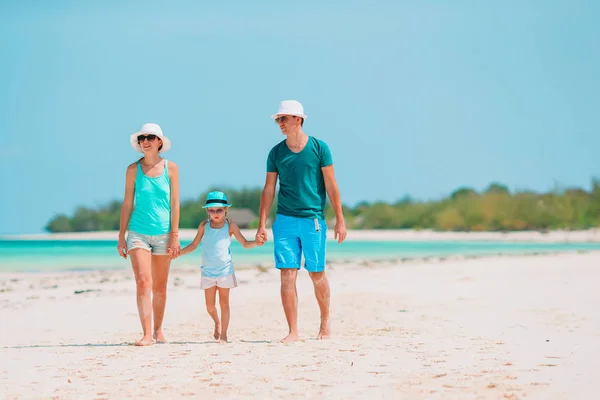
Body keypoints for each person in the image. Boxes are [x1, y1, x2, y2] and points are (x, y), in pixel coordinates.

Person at [255, 100, 347, 343]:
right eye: (278, 120)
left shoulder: (319, 148)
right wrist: (262, 223)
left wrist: (340, 219)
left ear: (298, 119)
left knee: (316, 274)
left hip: (313, 219)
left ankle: (325, 323)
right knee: (287, 274)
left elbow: (331, 185)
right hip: (284, 221)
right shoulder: (276, 153)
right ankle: (293, 331)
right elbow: (268, 189)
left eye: (283, 119)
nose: (280, 124)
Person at [117, 122, 181, 346]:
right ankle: (146, 334)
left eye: (150, 137)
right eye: (142, 138)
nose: (145, 141)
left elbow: (174, 203)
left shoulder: (171, 168)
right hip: (138, 233)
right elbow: (127, 203)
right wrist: (121, 236)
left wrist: (174, 235)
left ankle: (158, 330)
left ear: (160, 142)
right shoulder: (132, 170)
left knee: (160, 286)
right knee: (143, 281)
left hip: (164, 233)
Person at [176, 191, 263, 343]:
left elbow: (244, 243)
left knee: (224, 304)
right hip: (207, 272)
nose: (215, 213)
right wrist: (179, 253)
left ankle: (224, 335)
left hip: (225, 271)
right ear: (207, 211)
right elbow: (194, 245)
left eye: (219, 210)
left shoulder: (230, 226)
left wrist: (256, 243)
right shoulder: (204, 226)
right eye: (211, 210)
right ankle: (217, 322)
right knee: (210, 307)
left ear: (225, 210)